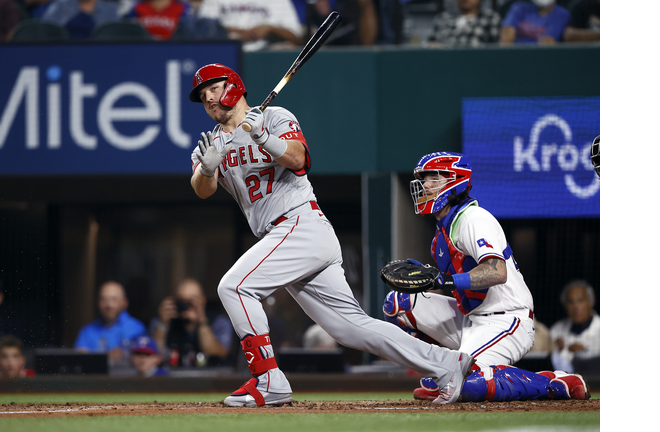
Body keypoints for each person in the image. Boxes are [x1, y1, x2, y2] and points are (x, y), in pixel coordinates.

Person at [187, 63, 476, 407]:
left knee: (234, 286)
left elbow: (300, 159)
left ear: (233, 86)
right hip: (284, 236)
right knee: (349, 329)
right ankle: (447, 363)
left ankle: (268, 379)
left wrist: (264, 138)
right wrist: (207, 168)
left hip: (300, 223)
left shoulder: (275, 117)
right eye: (203, 96)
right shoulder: (213, 143)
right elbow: (201, 190)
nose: (209, 99)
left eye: (213, 89)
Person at [381, 151, 589, 402]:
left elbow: (496, 271)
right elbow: (466, 291)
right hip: (471, 318)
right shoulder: (440, 236)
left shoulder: (473, 219)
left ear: (454, 180)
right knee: (398, 304)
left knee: (467, 385)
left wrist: (443, 281)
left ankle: (554, 383)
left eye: (433, 178)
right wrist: (434, 279)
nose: (425, 185)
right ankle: (440, 371)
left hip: (508, 319)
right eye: (424, 179)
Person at [149, 278, 234, 367]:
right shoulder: (162, 322)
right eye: (181, 301)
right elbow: (152, 355)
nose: (186, 306)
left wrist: (201, 321)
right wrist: (163, 324)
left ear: (203, 301)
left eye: (191, 301)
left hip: (209, 377)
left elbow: (215, 352)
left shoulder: (219, 321)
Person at [73, 281, 146, 364]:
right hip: (95, 376)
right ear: (97, 302)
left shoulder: (136, 328)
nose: (108, 305)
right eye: (103, 299)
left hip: (125, 376)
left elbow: (144, 359)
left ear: (124, 302)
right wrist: (107, 356)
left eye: (113, 299)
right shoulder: (87, 331)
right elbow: (79, 358)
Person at [195, 0, 304, 51]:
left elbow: (297, 37)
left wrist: (270, 28)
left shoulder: (277, 1)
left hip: (264, 55)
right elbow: (203, 29)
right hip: (224, 53)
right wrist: (242, 33)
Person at [550, 280, 600, 374]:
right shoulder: (556, 330)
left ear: (591, 302)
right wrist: (554, 348)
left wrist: (584, 351)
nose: (576, 306)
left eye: (580, 301)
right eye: (570, 302)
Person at [428, 0, 502, 47]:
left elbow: (497, 51)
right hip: (444, 66)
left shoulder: (490, 19)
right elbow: (430, 46)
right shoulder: (441, 19)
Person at [499, 0, 571, 46]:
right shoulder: (519, 7)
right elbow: (506, 38)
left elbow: (548, 43)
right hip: (514, 57)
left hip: (539, 60)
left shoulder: (561, 14)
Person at [40, 0, 121, 39]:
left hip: (98, 55)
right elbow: (45, 29)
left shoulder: (110, 9)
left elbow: (117, 36)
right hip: (64, 53)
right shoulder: (60, 5)